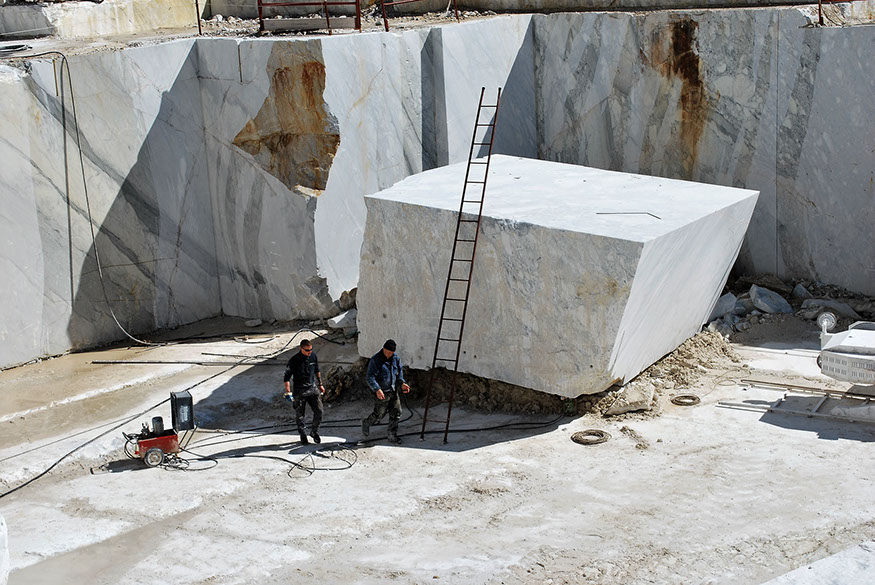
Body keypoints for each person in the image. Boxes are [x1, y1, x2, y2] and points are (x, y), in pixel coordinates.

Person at [362, 339, 410, 444]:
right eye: (387, 352)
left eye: (391, 353)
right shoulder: (376, 360)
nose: (389, 355)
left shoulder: (396, 358)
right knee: (379, 414)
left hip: (393, 391)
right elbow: (370, 377)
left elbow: (399, 373)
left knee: (397, 412)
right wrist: (377, 389)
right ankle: (366, 422)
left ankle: (392, 435)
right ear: (383, 349)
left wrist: (402, 383)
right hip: (382, 392)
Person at [283, 339, 325, 445]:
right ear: (301, 348)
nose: (309, 352)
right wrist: (288, 392)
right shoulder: (294, 360)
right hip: (299, 391)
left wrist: (320, 384)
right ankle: (302, 435)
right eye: (307, 350)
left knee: (319, 411)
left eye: (310, 349)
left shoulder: (313, 356)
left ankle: (314, 432)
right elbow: (286, 378)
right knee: (300, 415)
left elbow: (317, 370)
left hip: (312, 388)